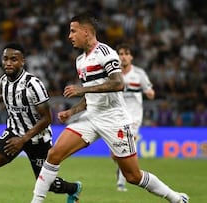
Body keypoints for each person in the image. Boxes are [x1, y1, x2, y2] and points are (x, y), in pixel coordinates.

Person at [30, 13, 189, 203]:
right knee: (54, 154)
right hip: (91, 117)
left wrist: (82, 88)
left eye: (73, 31)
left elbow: (118, 83)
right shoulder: (80, 61)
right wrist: (72, 111)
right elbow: (91, 97)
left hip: (115, 120)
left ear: (86, 32)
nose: (69, 36)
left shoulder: (106, 53)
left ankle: (177, 199)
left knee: (133, 176)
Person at [0, 43, 82, 203]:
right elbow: (10, 92)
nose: (8, 63)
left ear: (22, 62)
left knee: (49, 185)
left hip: (37, 139)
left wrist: (23, 140)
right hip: (13, 133)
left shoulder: (33, 85)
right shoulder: (4, 81)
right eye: (5, 59)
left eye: (13, 59)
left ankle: (74, 188)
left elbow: (47, 118)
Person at [114, 43, 155, 192]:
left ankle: (121, 182)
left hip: (134, 116)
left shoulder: (139, 73)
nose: (123, 57)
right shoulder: (114, 74)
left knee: (128, 143)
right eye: (121, 54)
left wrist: (149, 93)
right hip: (117, 115)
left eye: (126, 53)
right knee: (116, 152)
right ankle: (120, 168)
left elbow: (150, 91)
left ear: (131, 57)